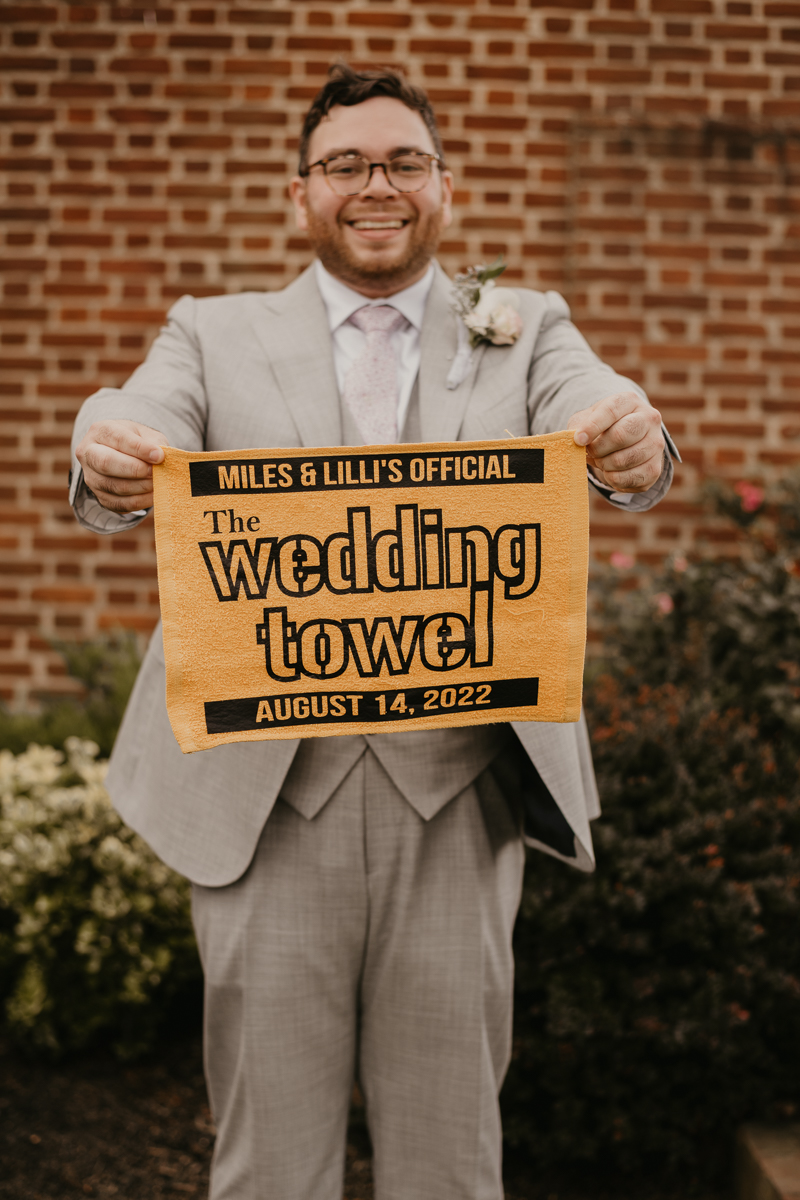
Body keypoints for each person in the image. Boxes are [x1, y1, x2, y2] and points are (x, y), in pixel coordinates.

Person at [70, 65, 676, 1200]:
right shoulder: (212, 333)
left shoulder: (523, 324)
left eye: (401, 161)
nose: (374, 184)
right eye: (344, 164)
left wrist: (629, 435)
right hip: (265, 801)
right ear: (298, 194)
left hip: (456, 798)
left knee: (450, 1161)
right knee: (267, 1167)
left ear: (443, 187)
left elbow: (597, 398)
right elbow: (136, 412)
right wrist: (106, 443)